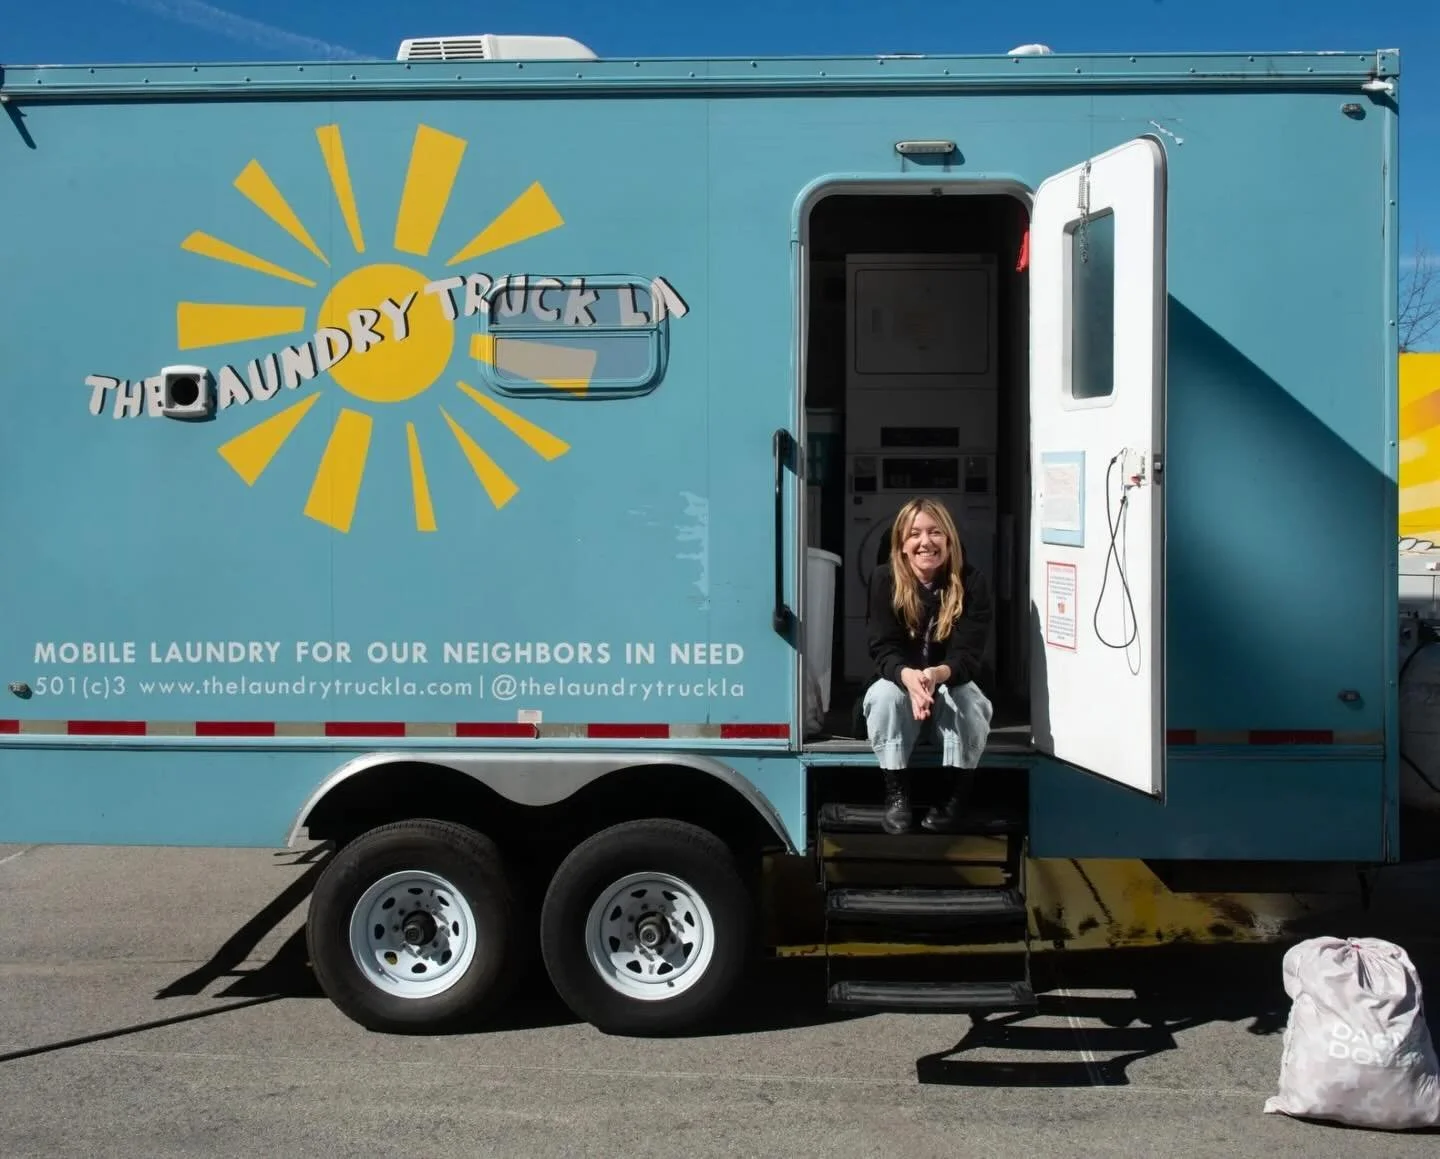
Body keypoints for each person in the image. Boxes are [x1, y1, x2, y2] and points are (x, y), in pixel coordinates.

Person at [862, 496, 994, 835]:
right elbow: (882, 648)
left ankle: (954, 794)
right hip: (903, 680)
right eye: (915, 534)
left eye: (935, 532)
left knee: (970, 702)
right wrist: (909, 678)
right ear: (902, 545)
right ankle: (897, 794)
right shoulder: (883, 579)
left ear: (949, 541)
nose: (925, 542)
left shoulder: (972, 582)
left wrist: (934, 676)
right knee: (882, 698)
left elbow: (967, 655)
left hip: (948, 680)